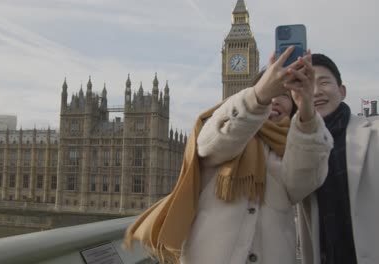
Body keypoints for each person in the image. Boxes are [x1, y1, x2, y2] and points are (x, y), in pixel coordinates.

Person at [124, 47, 333, 264]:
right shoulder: (223, 122)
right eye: (272, 91)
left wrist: (308, 112)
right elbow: (209, 145)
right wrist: (259, 98)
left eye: (284, 95)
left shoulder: (297, 144)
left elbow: (302, 184)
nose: (275, 100)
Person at [297, 54, 379, 264]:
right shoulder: (298, 147)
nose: (315, 91)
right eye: (308, 85)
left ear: (342, 92)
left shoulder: (375, 134)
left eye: (324, 82)